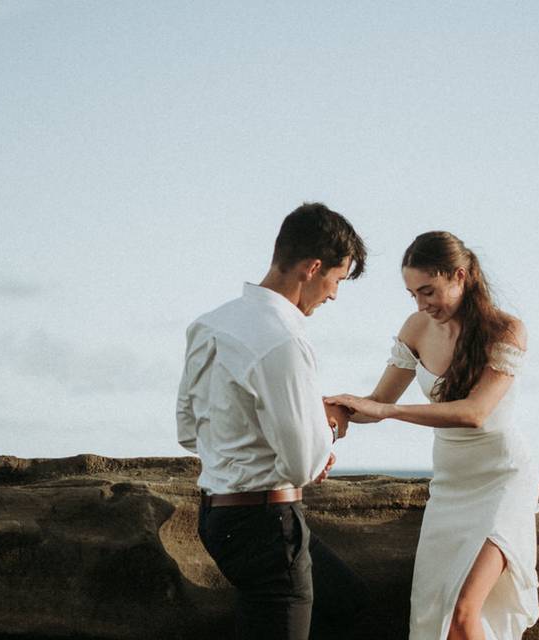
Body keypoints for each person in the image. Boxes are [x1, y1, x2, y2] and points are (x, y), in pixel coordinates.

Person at [325, 231, 539, 640]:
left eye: (429, 291)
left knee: (464, 610)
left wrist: (388, 411)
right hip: (450, 488)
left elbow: (475, 413)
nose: (422, 304)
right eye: (413, 295)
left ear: (460, 276)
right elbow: (377, 403)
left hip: (501, 480)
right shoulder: (417, 328)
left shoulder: (506, 331)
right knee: (435, 618)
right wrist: (333, 409)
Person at [176, 203, 369, 640]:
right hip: (267, 527)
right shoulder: (284, 337)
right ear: (312, 268)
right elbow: (303, 466)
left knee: (346, 600)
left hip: (217, 519)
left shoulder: (209, 324)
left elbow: (189, 431)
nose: (335, 294)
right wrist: (332, 424)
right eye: (336, 280)